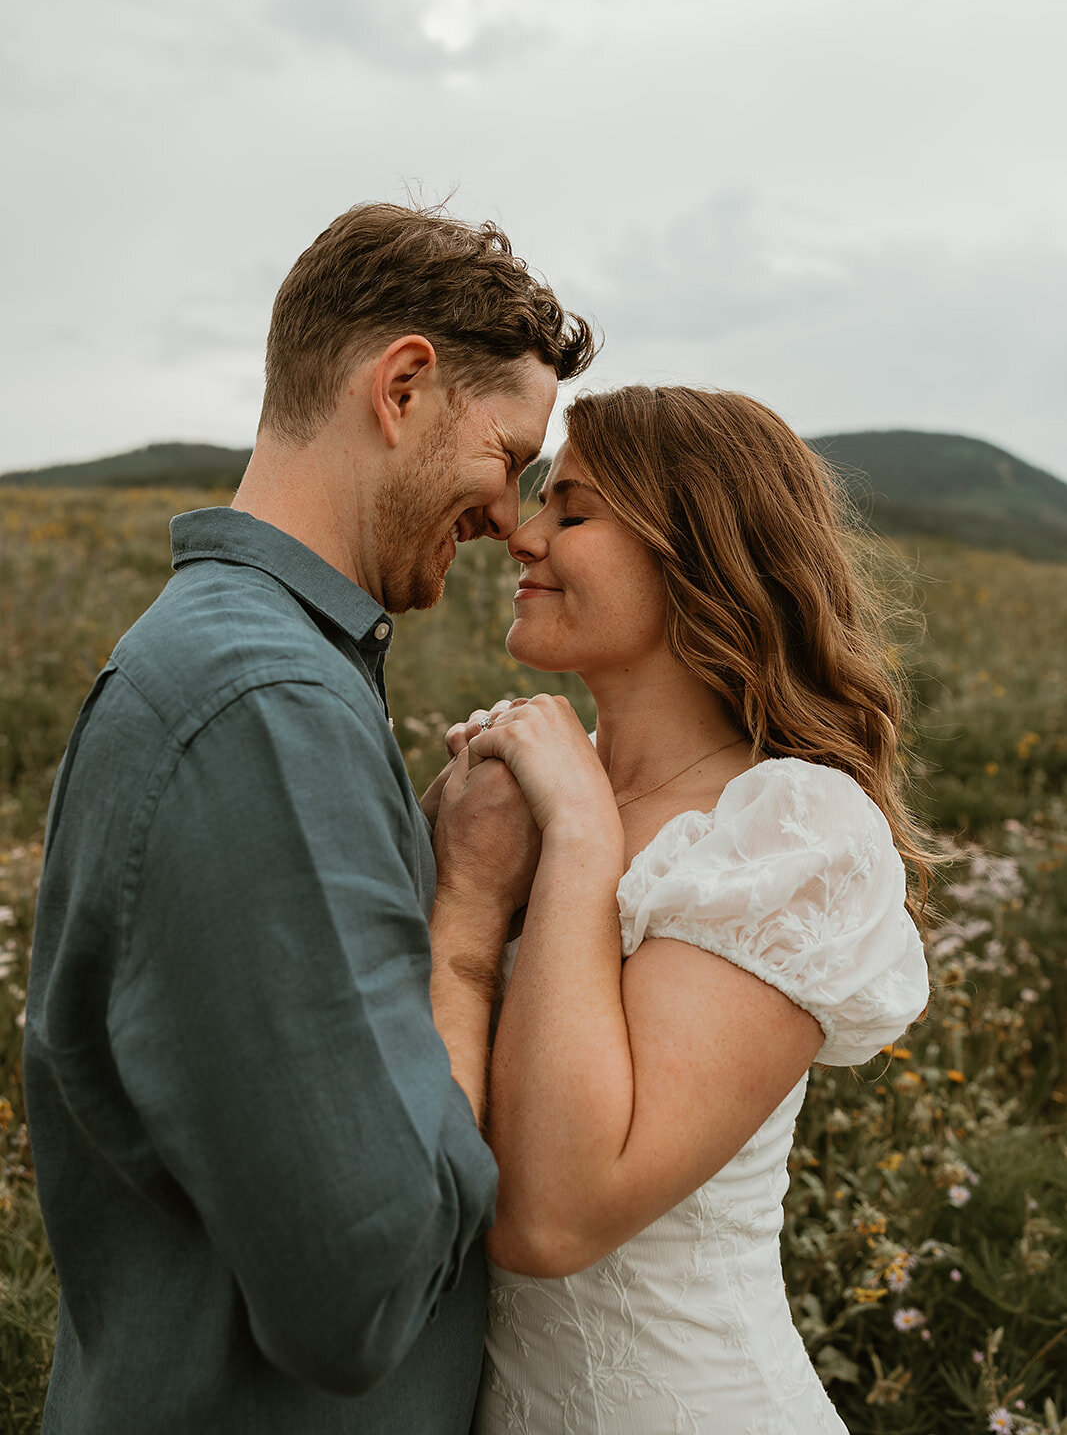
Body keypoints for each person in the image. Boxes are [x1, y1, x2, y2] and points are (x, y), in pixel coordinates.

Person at [23, 202, 596, 1434]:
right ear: (401, 388)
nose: (512, 517)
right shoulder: (260, 704)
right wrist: (466, 914)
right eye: (508, 455)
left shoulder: (244, 666)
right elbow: (363, 1282)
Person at [442, 385, 930, 1435]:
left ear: (696, 551)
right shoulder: (517, 792)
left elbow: (553, 1217)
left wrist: (578, 833)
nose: (522, 533)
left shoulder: (792, 831)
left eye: (571, 511)